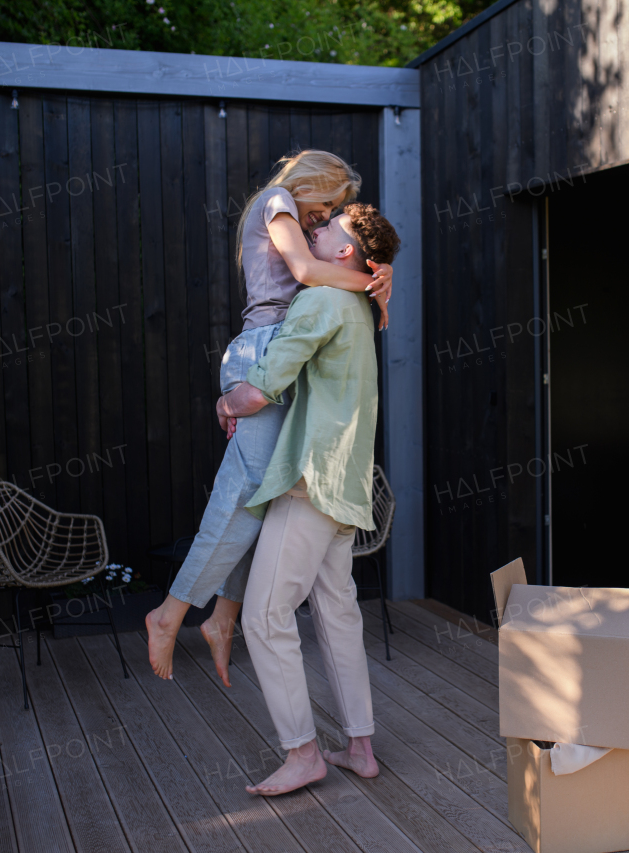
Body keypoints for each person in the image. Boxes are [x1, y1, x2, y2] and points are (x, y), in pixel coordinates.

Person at [146, 150, 392, 683]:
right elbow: (305, 271)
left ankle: (223, 617)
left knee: (264, 499)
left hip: (286, 353)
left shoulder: (298, 216)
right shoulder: (277, 200)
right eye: (326, 202)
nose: (325, 216)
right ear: (308, 185)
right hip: (263, 351)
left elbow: (320, 275)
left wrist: (377, 273)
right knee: (241, 494)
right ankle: (169, 614)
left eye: (333, 210)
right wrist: (371, 282)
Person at [216, 204, 400, 795]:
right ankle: (360, 746)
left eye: (327, 229)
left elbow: (266, 382)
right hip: (346, 484)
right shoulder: (362, 307)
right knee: (337, 612)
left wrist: (226, 402)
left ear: (345, 251)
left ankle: (303, 753)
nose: (313, 231)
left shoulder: (322, 300)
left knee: (265, 617)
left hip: (311, 479)